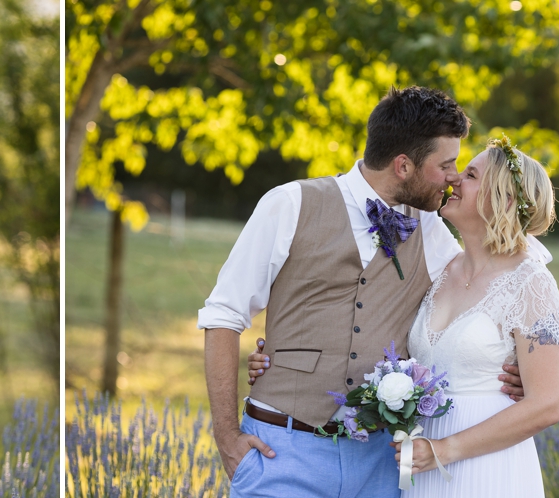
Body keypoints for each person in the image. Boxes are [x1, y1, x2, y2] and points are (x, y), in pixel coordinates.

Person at [200, 86, 539, 498]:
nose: (454, 177)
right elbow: (223, 315)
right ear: (403, 166)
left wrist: (514, 364)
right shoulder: (289, 204)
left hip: (380, 465)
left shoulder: (431, 228)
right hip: (280, 451)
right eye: (446, 164)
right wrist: (226, 435)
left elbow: (489, 285)